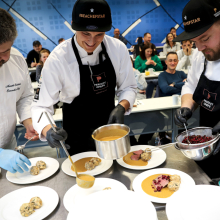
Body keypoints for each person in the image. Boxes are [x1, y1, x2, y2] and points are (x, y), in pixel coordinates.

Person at [31, 0, 137, 156]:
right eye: (85, 33)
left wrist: (122, 106)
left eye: (99, 35)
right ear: (74, 25)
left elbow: (128, 87)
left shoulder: (118, 49)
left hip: (111, 131)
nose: (91, 42)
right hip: (76, 137)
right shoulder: (58, 58)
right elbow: (40, 106)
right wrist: (47, 130)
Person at [173, 0, 220, 179]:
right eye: (194, 42)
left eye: (205, 38)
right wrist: (187, 106)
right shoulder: (201, 58)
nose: (199, 48)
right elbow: (191, 85)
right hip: (207, 149)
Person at [0, 8, 38, 173]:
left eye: (7, 50)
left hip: (8, 147)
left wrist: (27, 121)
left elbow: (24, 96)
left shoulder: (15, 59)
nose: (5, 58)